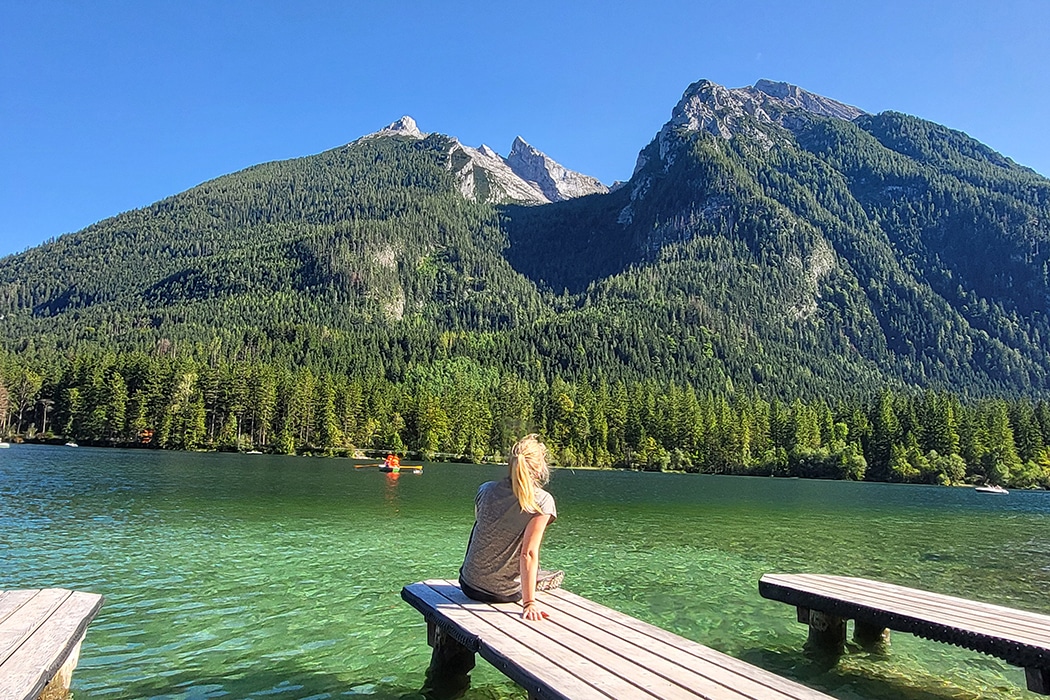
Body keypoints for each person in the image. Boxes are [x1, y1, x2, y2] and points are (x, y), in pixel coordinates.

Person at [459, 434, 562, 621]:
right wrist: (529, 603)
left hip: (469, 586)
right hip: (503, 594)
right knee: (530, 551)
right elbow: (528, 554)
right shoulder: (541, 502)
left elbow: (484, 534)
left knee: (480, 527)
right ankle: (535, 579)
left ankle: (534, 576)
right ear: (539, 470)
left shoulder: (486, 490)